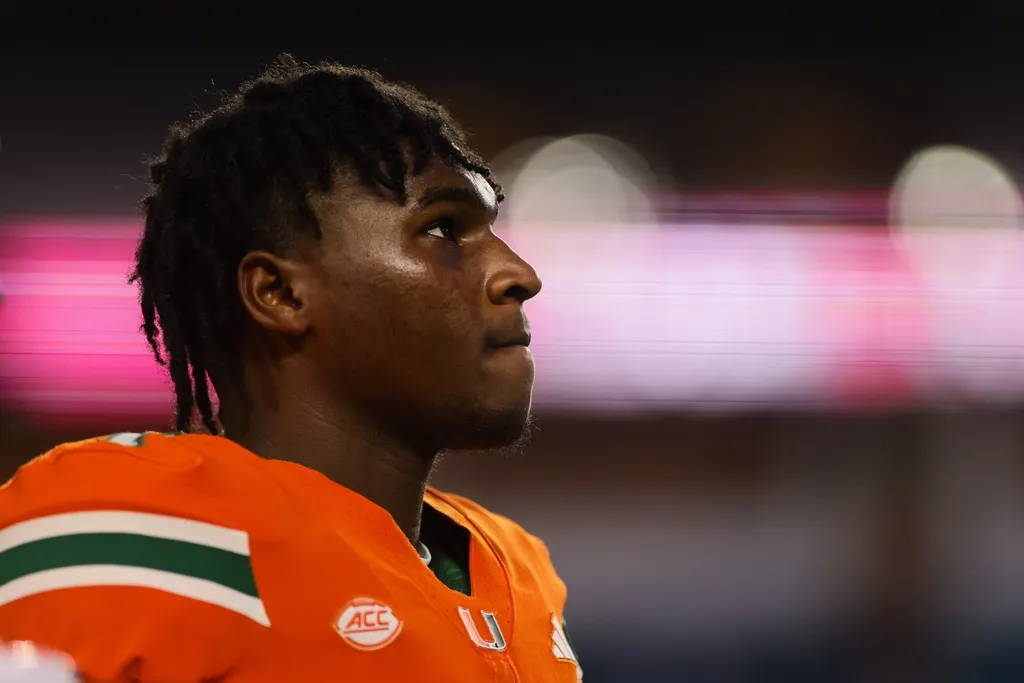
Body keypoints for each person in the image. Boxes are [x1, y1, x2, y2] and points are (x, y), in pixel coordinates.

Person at [0, 54, 582, 682]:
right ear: (280, 294)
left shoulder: (522, 575)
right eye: (444, 229)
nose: (519, 274)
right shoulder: (131, 527)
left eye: (490, 227)